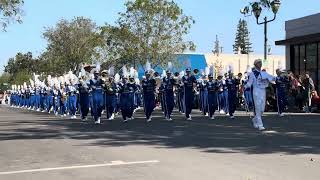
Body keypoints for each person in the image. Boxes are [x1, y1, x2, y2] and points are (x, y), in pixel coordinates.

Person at [245, 59, 275, 131]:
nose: (260, 64)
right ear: (255, 64)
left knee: (262, 109)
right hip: (256, 91)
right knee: (258, 108)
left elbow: (271, 78)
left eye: (261, 63)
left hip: (263, 91)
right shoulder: (253, 73)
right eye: (258, 63)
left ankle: (255, 119)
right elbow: (249, 83)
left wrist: (279, 77)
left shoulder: (264, 73)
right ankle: (260, 125)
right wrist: (245, 87)